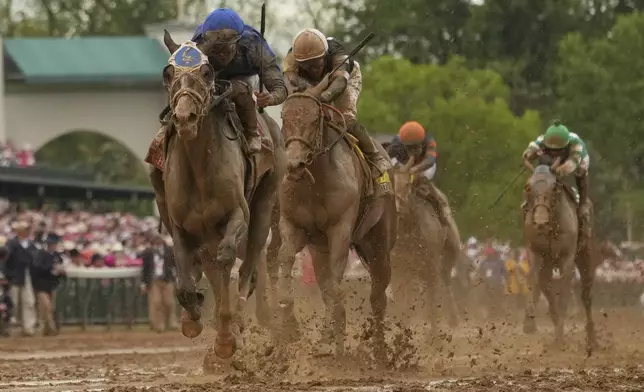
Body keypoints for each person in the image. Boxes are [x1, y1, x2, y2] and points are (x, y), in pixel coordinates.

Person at [282, 28, 391, 175]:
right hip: (309, 84)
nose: (314, 69)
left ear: (325, 55)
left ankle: (374, 155)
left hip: (343, 80)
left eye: (317, 63)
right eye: (307, 65)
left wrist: (323, 98)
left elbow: (340, 82)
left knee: (345, 118)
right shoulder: (291, 57)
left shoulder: (337, 52)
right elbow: (290, 82)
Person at [190, 8, 287, 154]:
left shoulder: (254, 46)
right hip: (212, 77)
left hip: (244, 78)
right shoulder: (197, 44)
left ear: (238, 42)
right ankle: (163, 135)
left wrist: (270, 98)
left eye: (226, 48)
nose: (221, 54)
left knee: (238, 88)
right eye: (215, 49)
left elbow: (279, 87)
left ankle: (253, 134)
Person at [522, 120, 591, 242]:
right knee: (543, 165)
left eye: (558, 150)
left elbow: (571, 165)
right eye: (551, 149)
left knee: (581, 172)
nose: (554, 152)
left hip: (574, 161)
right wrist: (528, 155)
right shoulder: (543, 139)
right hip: (554, 163)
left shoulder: (576, 145)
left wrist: (555, 172)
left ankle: (583, 204)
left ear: (565, 145)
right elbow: (531, 148)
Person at [387, 121, 453, 226]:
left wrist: (415, 169)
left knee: (425, 179)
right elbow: (385, 158)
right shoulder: (396, 143)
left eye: (415, 146)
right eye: (410, 147)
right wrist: (398, 169)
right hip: (403, 166)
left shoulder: (429, 140)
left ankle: (441, 213)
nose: (413, 150)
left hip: (423, 167)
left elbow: (430, 160)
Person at [31, 233, 65, 336]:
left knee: (50, 307)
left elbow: (61, 269)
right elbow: (37, 269)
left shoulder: (57, 256)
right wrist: (51, 268)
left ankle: (46, 329)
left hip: (52, 284)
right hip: (41, 284)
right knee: (47, 306)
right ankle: (51, 327)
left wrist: (60, 272)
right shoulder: (41, 254)